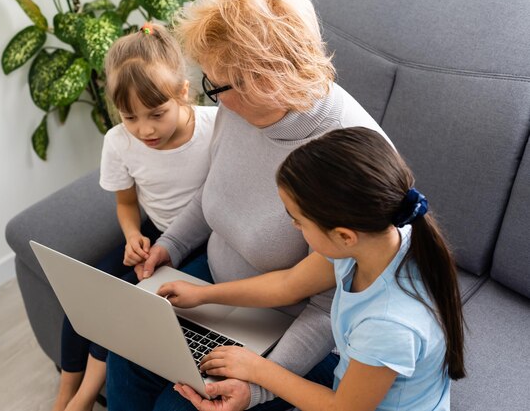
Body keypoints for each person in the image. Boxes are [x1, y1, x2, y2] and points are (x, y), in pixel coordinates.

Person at [105, 0, 394, 411]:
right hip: (213, 287)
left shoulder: (344, 157)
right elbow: (212, 194)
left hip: (294, 328)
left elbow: (328, 310)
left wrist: (260, 385)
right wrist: (171, 246)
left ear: (264, 79)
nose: (214, 99)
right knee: (126, 352)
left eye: (216, 85)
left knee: (178, 407)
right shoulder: (240, 107)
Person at [160, 127, 466, 411]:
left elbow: (342, 408)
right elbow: (288, 284)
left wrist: (257, 369)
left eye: (299, 220)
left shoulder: (388, 325)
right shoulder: (378, 238)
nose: (293, 225)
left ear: (344, 235)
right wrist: (203, 295)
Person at [51, 22, 218, 411]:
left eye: (156, 114)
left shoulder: (214, 128)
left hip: (202, 244)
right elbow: (126, 203)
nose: (145, 130)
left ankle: (86, 397)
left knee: (122, 308)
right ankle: (63, 399)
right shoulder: (119, 142)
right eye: (130, 118)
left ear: (182, 92)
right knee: (83, 296)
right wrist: (131, 236)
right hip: (153, 232)